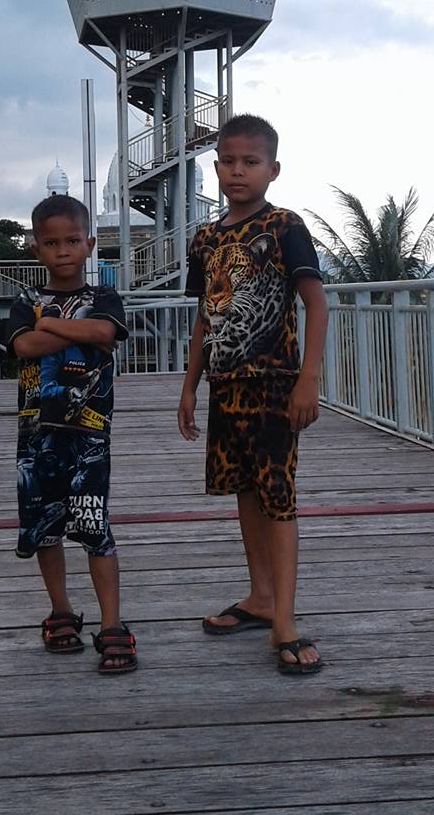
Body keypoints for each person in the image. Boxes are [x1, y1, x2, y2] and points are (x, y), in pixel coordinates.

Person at [177, 114, 328, 675]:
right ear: (215, 166)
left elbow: (315, 303)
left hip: (272, 386)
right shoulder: (207, 237)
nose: (237, 172)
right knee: (243, 491)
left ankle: (284, 621)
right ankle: (260, 597)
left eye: (251, 162)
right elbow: (203, 316)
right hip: (225, 388)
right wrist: (189, 385)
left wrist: (307, 378)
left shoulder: (285, 226)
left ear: (273, 169)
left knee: (277, 496)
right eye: (228, 161)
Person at [7, 194, 137, 674]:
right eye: (51, 242)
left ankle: (111, 624)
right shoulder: (25, 301)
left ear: (89, 244)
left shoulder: (104, 296)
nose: (62, 250)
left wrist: (54, 327)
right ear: (36, 248)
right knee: (45, 529)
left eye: (71, 241)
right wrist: (76, 330)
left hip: (89, 437)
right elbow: (24, 345)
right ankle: (61, 610)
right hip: (36, 438)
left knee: (95, 527)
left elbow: (107, 333)